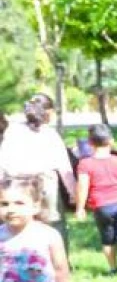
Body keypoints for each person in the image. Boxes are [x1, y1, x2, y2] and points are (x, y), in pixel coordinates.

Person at [0, 96, 77, 250]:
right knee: (54, 225)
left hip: (16, 184)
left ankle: (20, 255)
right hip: (45, 184)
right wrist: (73, 192)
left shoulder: (12, 131)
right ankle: (58, 260)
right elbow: (64, 167)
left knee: (17, 223)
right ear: (47, 113)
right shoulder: (50, 134)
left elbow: (3, 161)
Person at [75, 124, 117, 279]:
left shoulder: (85, 164)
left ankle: (113, 269)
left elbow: (82, 187)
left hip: (102, 206)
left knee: (107, 238)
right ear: (111, 141)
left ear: (90, 143)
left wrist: (80, 208)